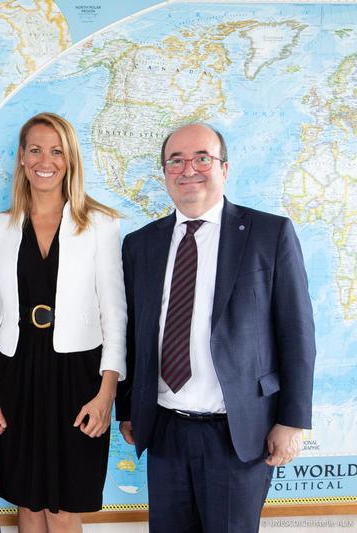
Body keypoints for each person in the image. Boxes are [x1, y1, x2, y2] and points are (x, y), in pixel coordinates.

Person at [116, 123, 316, 532]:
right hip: (165, 430)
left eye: (202, 158)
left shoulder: (268, 234)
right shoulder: (141, 244)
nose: (189, 169)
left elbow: (297, 333)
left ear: (224, 168)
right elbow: (133, 332)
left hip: (239, 434)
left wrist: (292, 421)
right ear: (165, 173)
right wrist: (127, 408)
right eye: (177, 160)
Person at [0, 112, 127, 532]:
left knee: (63, 505)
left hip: (78, 375)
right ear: (22, 158)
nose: (46, 160)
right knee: (27, 501)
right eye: (36, 149)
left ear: (70, 159)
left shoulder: (100, 225)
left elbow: (115, 314)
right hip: (15, 371)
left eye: (57, 151)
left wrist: (106, 395)